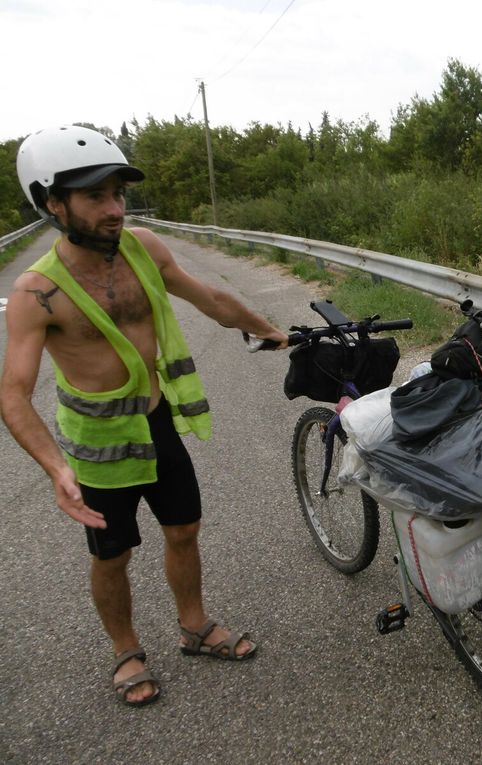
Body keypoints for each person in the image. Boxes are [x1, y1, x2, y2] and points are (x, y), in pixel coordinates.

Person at [0, 125, 289, 708]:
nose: (115, 210)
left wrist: (266, 328)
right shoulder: (38, 293)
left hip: (156, 424)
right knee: (113, 553)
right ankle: (127, 650)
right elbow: (13, 393)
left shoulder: (145, 248)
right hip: (98, 445)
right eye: (96, 198)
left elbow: (208, 296)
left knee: (183, 529)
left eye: (118, 194)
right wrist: (57, 469)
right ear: (52, 204)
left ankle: (194, 625)